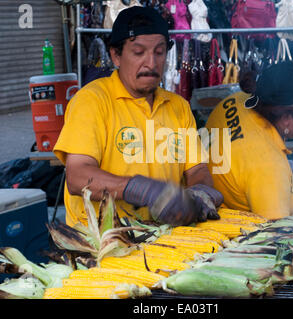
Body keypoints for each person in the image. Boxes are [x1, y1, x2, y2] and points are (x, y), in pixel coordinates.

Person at [53, 6, 223, 227]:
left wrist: (199, 193)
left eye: (159, 52)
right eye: (139, 52)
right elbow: (77, 177)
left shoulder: (178, 106)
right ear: (116, 55)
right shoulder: (92, 101)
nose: (151, 64)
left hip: (165, 239)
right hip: (104, 243)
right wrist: (143, 190)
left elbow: (197, 168)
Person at [205, 61, 293, 220]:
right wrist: (277, 174)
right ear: (287, 119)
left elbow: (244, 160)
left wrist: (285, 167)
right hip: (231, 233)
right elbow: (276, 236)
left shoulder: (236, 100)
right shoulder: (268, 166)